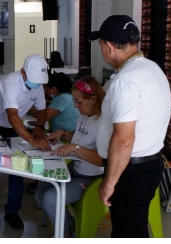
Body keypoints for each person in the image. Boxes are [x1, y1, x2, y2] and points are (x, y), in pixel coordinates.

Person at [90, 15, 171, 237]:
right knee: (133, 228)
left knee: (127, 232)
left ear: (108, 46)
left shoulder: (126, 81)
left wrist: (109, 183)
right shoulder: (151, 69)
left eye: (100, 45)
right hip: (150, 164)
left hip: (130, 172)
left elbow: (124, 140)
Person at [0, 54, 50, 230]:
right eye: (34, 81)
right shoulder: (11, 83)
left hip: (14, 127)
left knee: (18, 168)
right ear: (23, 72)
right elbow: (12, 116)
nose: (37, 85)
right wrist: (31, 139)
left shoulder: (36, 84)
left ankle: (12, 211)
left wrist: (39, 126)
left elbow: (42, 109)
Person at [36, 76, 105, 237]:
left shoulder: (103, 122)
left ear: (93, 98)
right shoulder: (83, 115)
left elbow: (103, 160)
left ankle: (66, 233)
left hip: (92, 179)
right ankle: (70, 225)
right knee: (40, 192)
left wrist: (74, 148)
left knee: (50, 199)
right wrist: (64, 134)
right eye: (74, 101)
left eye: (79, 101)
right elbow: (82, 136)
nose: (75, 106)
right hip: (76, 169)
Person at [26, 72, 80, 193]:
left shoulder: (63, 99)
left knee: (40, 147)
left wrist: (27, 107)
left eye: (46, 89)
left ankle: (39, 182)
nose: (45, 92)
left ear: (54, 89)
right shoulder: (66, 97)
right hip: (62, 136)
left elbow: (43, 116)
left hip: (66, 139)